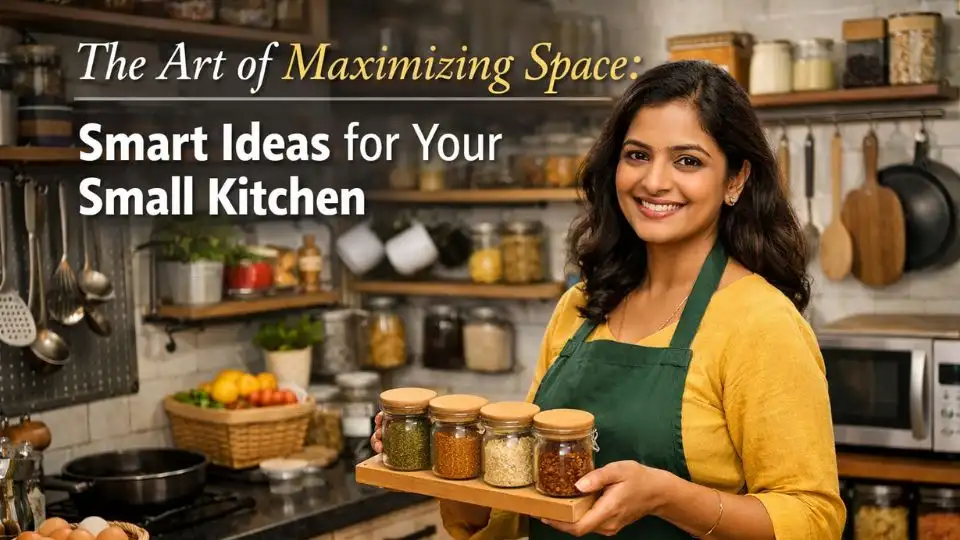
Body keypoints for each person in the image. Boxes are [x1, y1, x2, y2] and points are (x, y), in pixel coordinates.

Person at [371, 60, 845, 539]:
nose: (654, 181)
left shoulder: (761, 323)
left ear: (735, 180)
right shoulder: (581, 306)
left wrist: (671, 498)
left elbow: (812, 518)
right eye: (637, 155)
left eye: (688, 161)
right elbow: (525, 506)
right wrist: (451, 462)